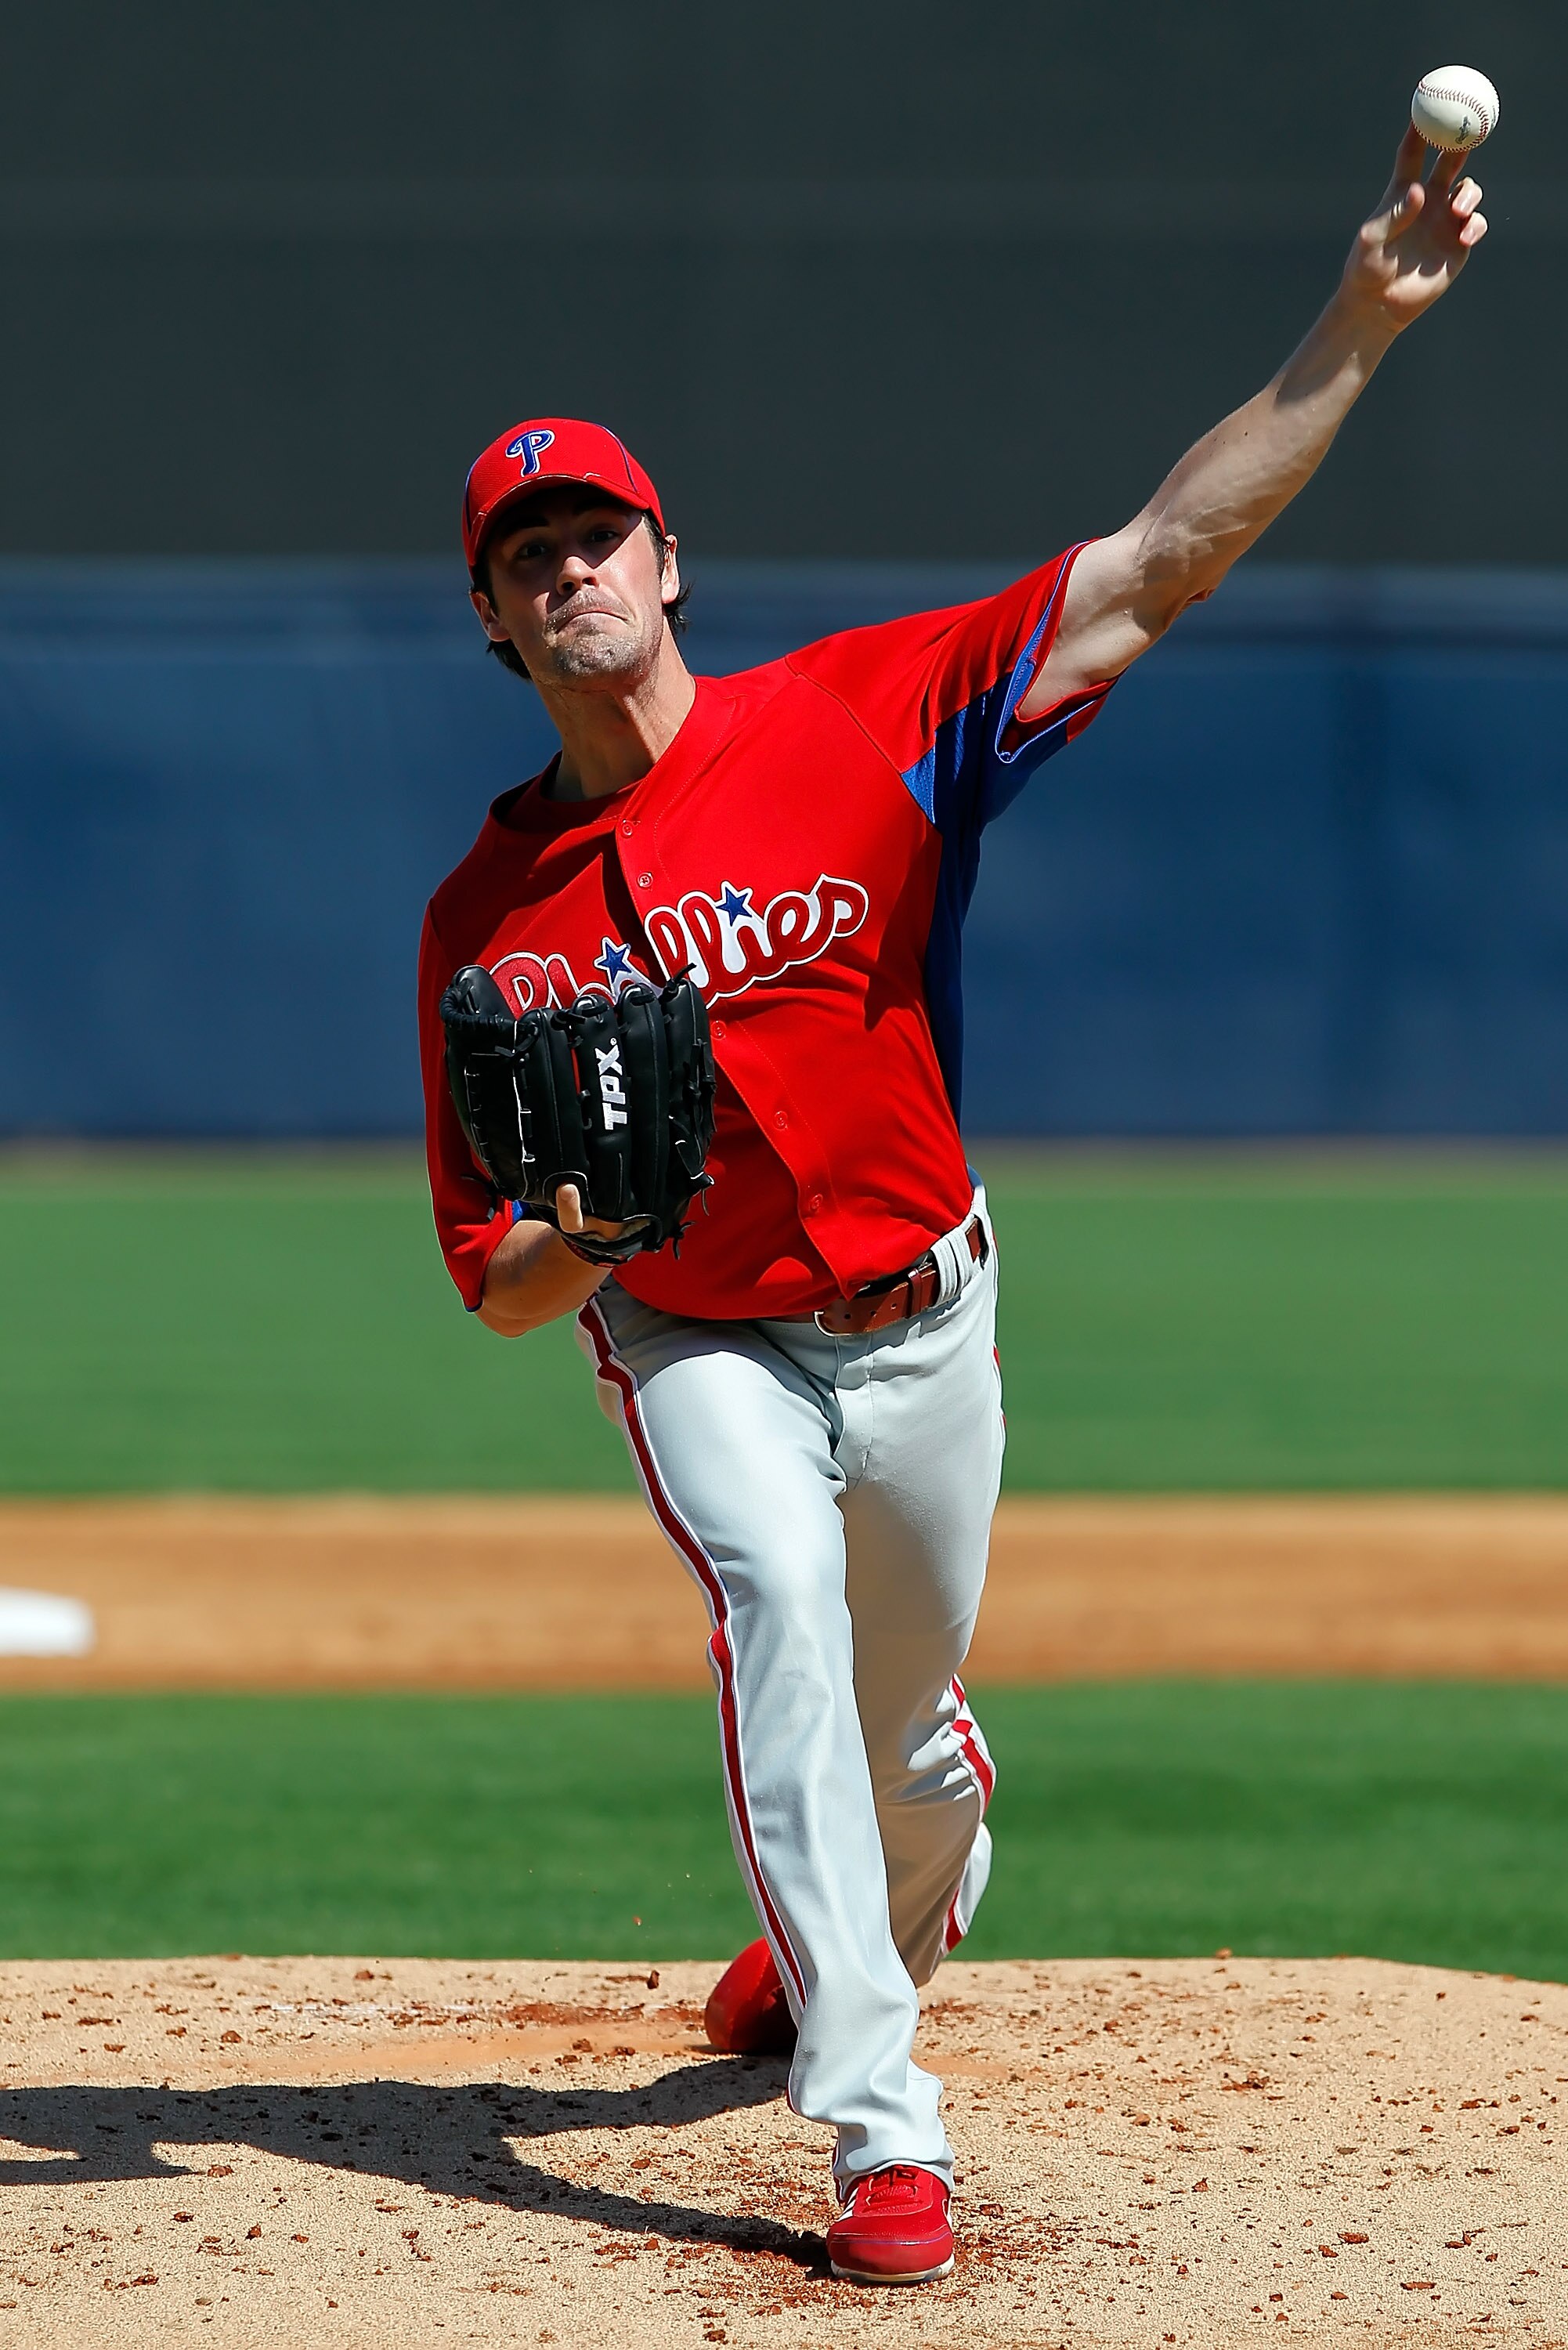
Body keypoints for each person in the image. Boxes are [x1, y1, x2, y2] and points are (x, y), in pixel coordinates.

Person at [418, 125, 1486, 2286]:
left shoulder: (869, 714)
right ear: (490, 613)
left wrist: (1360, 317)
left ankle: (875, 1905)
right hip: (696, 1333)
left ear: (667, 556)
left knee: (903, 1726)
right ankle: (876, 2123)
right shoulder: (486, 919)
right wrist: (601, 1238)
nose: (569, 571)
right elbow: (500, 1291)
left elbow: (1160, 558)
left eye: (595, 532)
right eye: (525, 552)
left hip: (923, 1311)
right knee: (776, 1625)